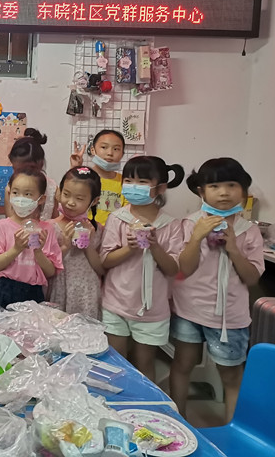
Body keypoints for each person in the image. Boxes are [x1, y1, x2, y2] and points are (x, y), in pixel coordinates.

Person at [169, 158, 264, 423]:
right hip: (189, 308)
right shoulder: (190, 224)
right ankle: (180, 422)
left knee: (231, 375)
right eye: (214, 186)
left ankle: (234, 430)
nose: (223, 192)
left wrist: (233, 248)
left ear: (243, 190)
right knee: (182, 364)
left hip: (228, 316)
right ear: (201, 191)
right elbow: (183, 269)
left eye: (232, 185)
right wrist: (197, 237)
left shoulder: (248, 231)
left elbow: (252, 278)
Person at [100, 156, 184, 381]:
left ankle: (145, 402)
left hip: (152, 309)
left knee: (145, 363)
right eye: (129, 181)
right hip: (116, 303)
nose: (133, 187)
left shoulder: (171, 225)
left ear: (161, 188)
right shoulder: (118, 218)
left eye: (142, 182)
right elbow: (105, 260)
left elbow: (172, 269)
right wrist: (130, 248)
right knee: (116, 362)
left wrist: (154, 246)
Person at [0, 168, 62, 311]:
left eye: (28, 194)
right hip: (2, 289)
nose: (20, 198)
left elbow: (50, 272)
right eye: (15, 192)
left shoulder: (47, 229)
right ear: (9, 194)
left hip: (33, 293)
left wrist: (38, 252)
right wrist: (16, 249)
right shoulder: (2, 226)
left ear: (41, 199)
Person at [48, 166, 105, 320]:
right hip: (59, 289)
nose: (71, 202)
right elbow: (47, 268)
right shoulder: (49, 227)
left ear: (94, 201)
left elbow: (101, 269)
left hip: (86, 292)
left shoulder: (97, 229)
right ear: (59, 192)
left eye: (79, 199)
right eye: (66, 194)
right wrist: (65, 247)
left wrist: (87, 245)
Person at [70, 130, 127, 226]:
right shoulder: (85, 177)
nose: (110, 153)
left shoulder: (125, 182)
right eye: (104, 147)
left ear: (122, 153)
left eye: (116, 149)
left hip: (113, 233)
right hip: (85, 230)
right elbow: (67, 199)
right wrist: (74, 170)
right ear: (93, 150)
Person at [8, 136, 57, 220]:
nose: (25, 175)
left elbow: (56, 221)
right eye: (18, 171)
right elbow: (9, 222)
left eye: (29, 170)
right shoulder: (11, 189)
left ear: (40, 164)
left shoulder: (52, 189)